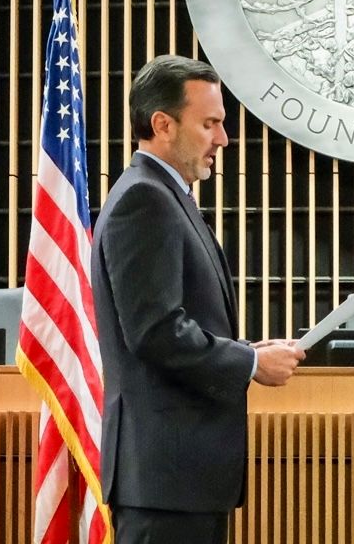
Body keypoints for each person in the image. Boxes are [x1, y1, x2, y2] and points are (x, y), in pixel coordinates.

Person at [92, 55, 305, 544]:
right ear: (162, 124)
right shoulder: (144, 201)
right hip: (164, 479)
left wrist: (248, 350)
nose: (224, 139)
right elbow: (156, 331)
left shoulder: (165, 195)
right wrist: (249, 363)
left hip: (180, 480)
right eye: (210, 123)